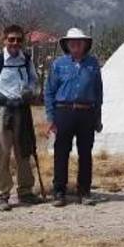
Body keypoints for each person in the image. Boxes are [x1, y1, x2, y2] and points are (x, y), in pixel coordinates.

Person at [0, 24, 40, 211]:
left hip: (22, 109)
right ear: (4, 40)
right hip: (1, 111)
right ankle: (3, 195)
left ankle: (26, 191)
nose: (15, 43)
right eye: (11, 39)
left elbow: (34, 80)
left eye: (19, 40)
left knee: (24, 151)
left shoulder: (26, 59)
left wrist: (31, 91)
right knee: (2, 153)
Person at [45, 27, 104, 207]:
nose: (76, 45)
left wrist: (97, 117)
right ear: (67, 45)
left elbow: (98, 92)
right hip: (64, 111)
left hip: (86, 111)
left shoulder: (93, 64)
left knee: (85, 153)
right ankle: (59, 191)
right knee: (61, 152)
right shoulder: (58, 64)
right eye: (72, 43)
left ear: (85, 44)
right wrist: (51, 118)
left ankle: (84, 191)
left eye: (79, 42)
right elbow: (49, 91)